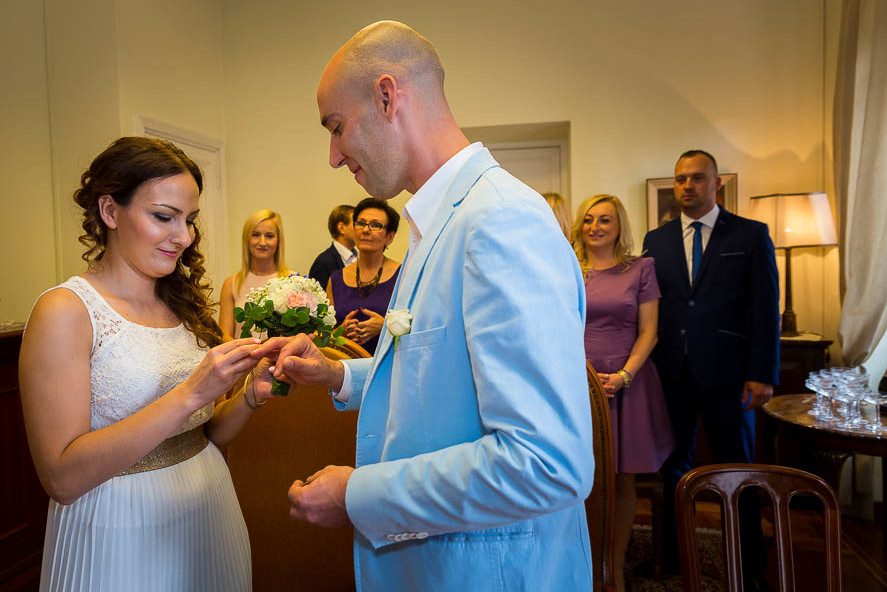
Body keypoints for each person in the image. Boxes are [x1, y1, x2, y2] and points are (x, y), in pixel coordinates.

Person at [252, 20, 594, 591]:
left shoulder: (498, 221)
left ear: (387, 97)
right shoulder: (435, 221)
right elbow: (442, 371)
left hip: (489, 572)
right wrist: (337, 373)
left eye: (337, 128)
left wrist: (357, 494)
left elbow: (545, 464)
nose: (334, 156)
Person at [18, 137, 278, 592]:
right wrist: (191, 393)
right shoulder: (66, 311)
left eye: (190, 220)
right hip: (120, 525)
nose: (184, 236)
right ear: (110, 211)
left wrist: (251, 396)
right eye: (164, 217)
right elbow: (61, 477)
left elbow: (205, 434)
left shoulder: (180, 303)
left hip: (208, 506)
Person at [642, 149, 779, 590]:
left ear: (716, 183)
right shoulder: (655, 241)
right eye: (681, 178)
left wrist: (763, 373)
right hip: (671, 375)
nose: (687, 186)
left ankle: (750, 564)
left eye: (697, 178)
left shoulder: (750, 234)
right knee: (672, 469)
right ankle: (674, 559)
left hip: (729, 376)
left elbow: (765, 309)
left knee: (736, 469)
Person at [572, 194, 675, 592]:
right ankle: (584, 559)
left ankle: (613, 566)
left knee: (623, 479)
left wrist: (625, 376)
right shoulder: (571, 269)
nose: (595, 226)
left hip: (627, 382)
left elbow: (649, 331)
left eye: (605, 220)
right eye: (589, 219)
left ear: (619, 228)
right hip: (579, 383)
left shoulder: (640, 268)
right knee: (582, 475)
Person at [327, 197, 400, 354]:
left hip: (389, 366)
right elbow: (324, 338)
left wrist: (385, 326)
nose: (366, 230)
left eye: (375, 225)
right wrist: (341, 331)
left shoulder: (403, 275)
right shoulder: (336, 279)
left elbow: (418, 327)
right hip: (344, 368)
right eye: (361, 223)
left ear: (390, 237)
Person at [220, 209, 291, 340]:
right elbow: (224, 336)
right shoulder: (231, 284)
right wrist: (250, 357)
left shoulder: (293, 281)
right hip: (243, 359)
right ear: (246, 239)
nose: (262, 242)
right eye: (256, 235)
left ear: (278, 240)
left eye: (269, 236)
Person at [309, 204, 358, 290]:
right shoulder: (324, 262)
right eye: (357, 224)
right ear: (341, 228)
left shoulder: (358, 257)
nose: (361, 229)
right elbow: (320, 300)